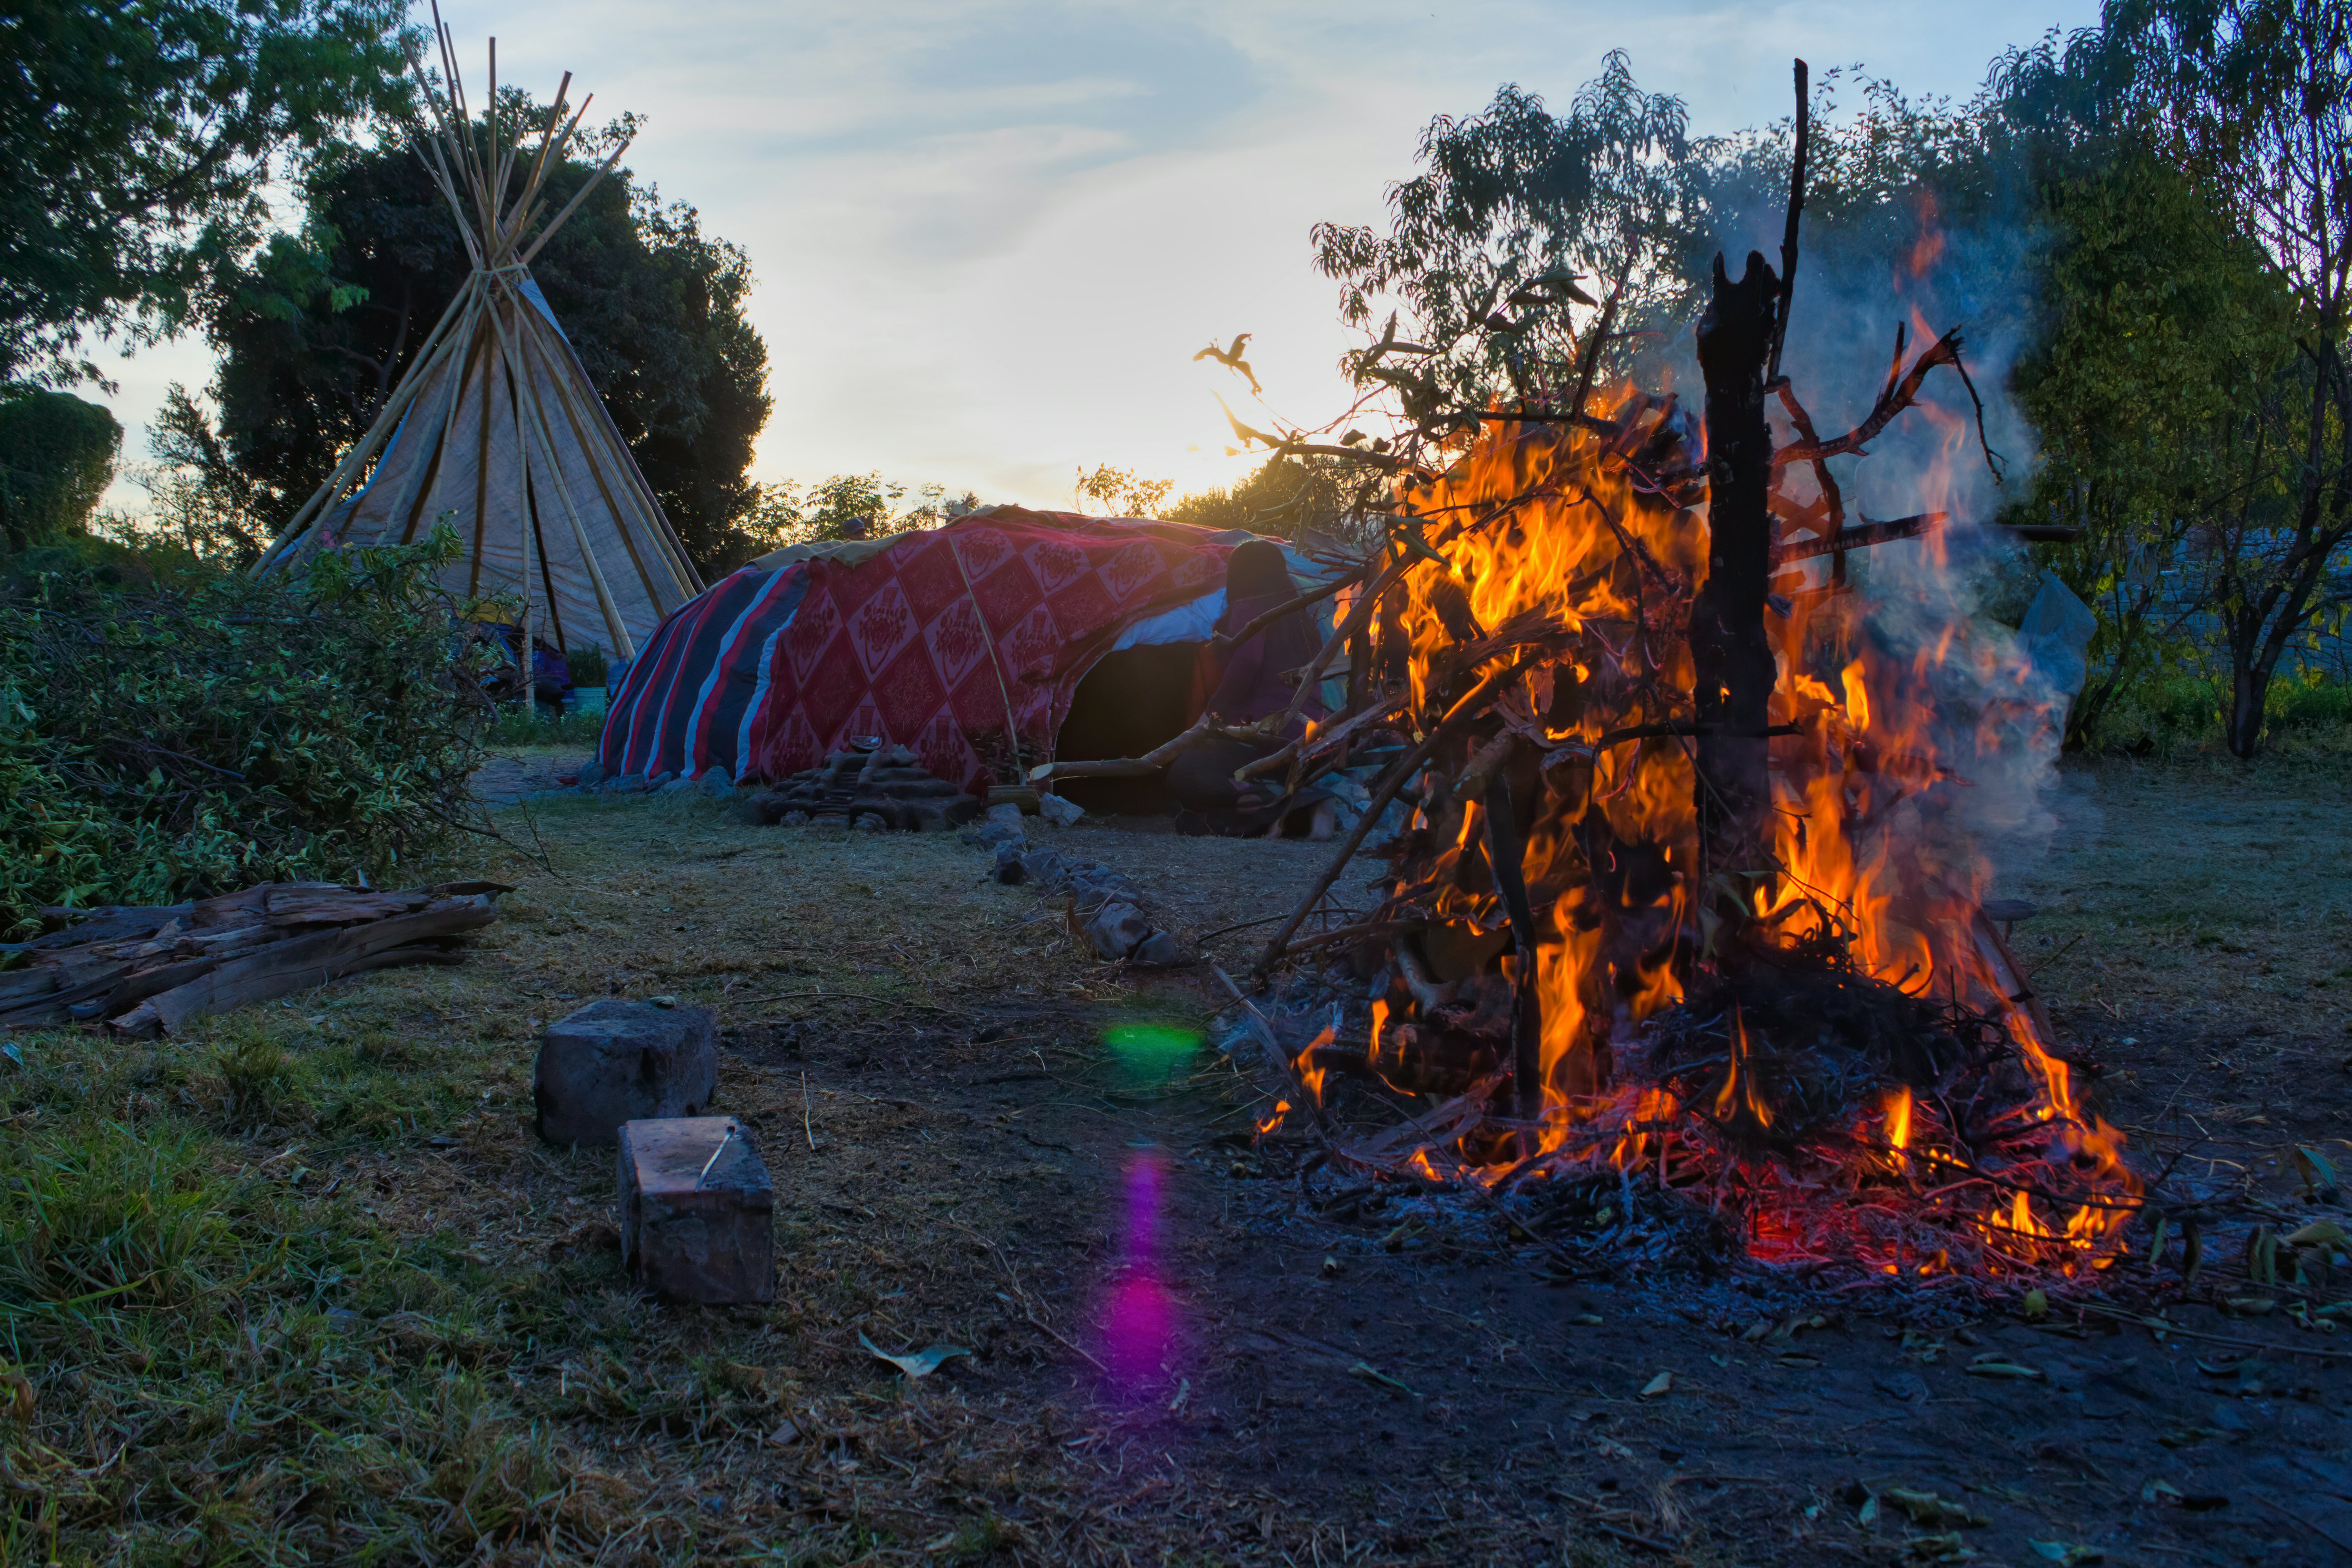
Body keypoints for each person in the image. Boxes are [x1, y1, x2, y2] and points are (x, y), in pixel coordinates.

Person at [1167, 539, 1337, 838]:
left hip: (1260, 737)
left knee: (1186, 771)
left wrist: (1212, 716)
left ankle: (1294, 802)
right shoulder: (1303, 619)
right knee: (1198, 811)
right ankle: (1259, 815)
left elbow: (1247, 661)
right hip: (1305, 741)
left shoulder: (1251, 607)